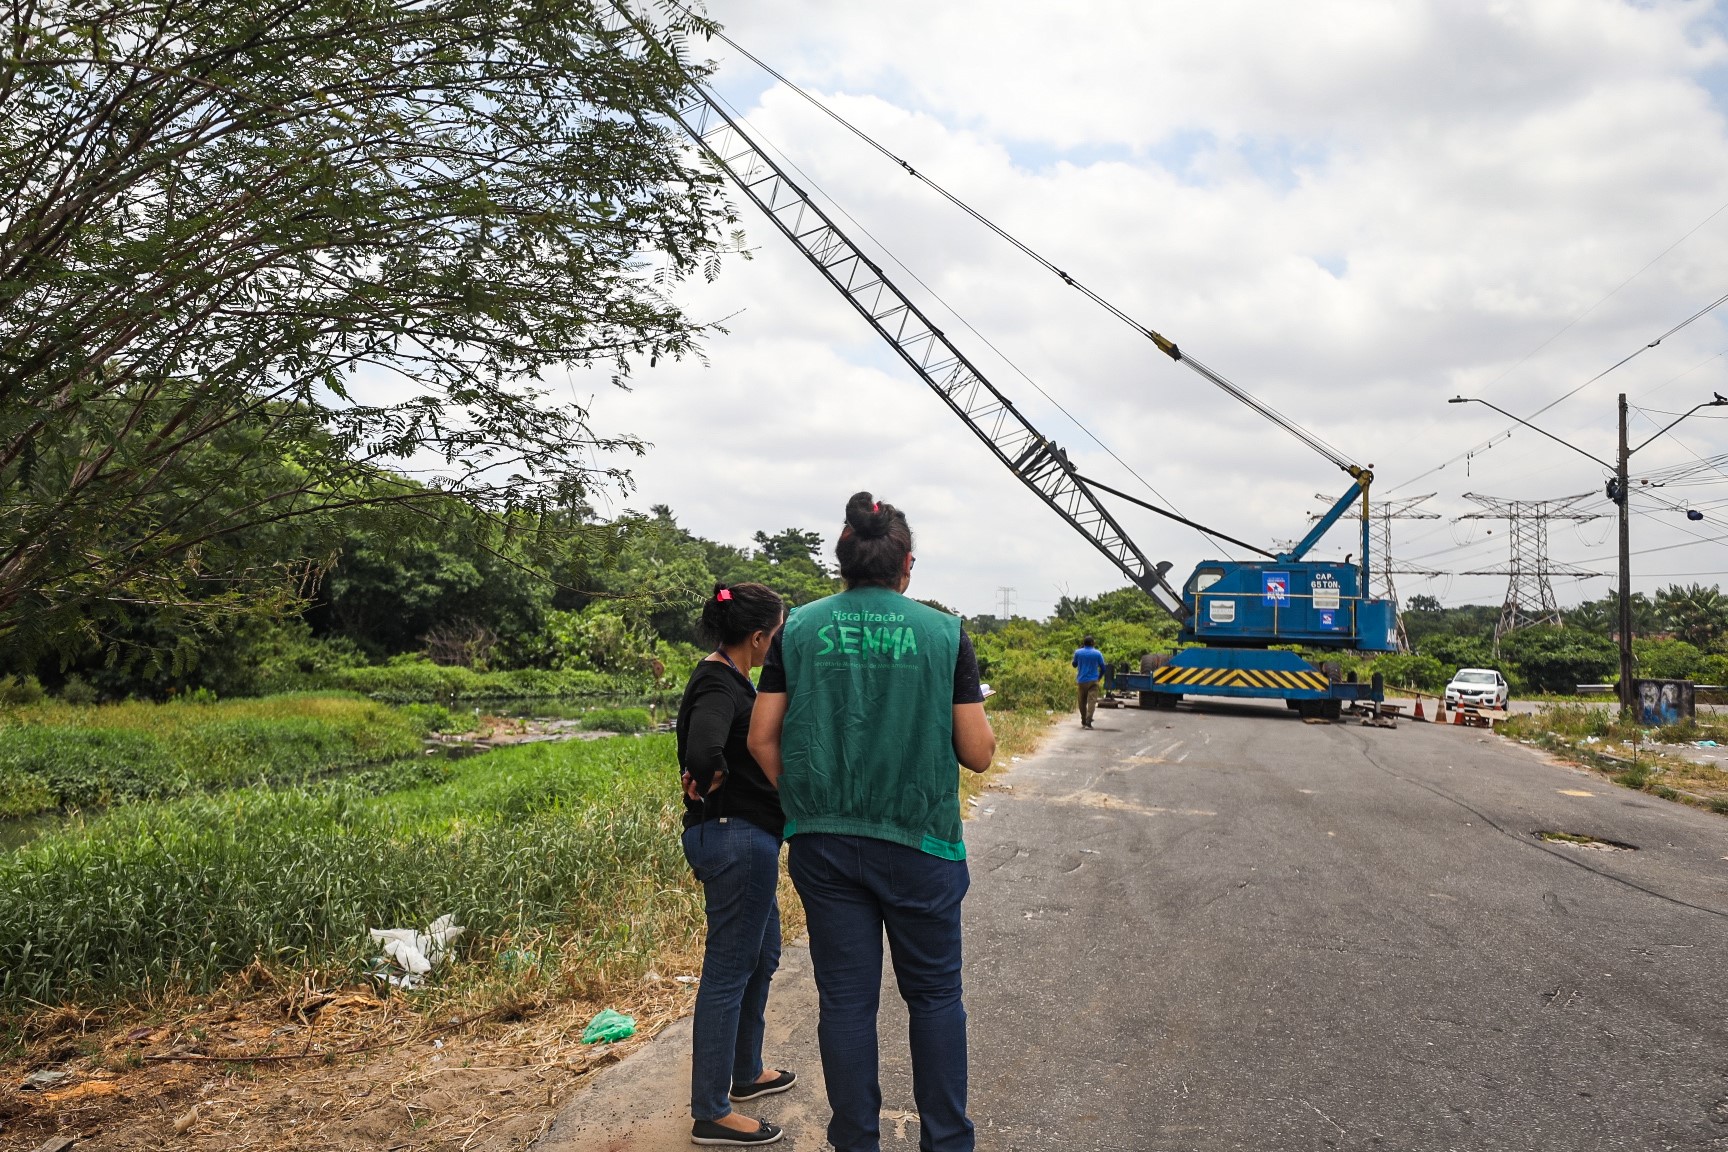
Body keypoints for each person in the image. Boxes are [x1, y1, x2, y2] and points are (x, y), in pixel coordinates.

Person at [748, 491, 995, 1152]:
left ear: (843, 561)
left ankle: (855, 1141)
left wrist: (803, 803)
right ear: (906, 563)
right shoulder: (945, 634)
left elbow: (761, 737)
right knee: (934, 998)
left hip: (824, 845)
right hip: (921, 843)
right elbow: (977, 753)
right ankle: (947, 1142)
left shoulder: (798, 629)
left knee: (846, 1003)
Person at [676, 582, 796, 1147]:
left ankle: (745, 1072)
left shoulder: (733, 678)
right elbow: (703, 747)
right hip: (734, 839)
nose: (781, 642)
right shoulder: (718, 681)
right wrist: (711, 773)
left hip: (745, 839)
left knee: (762, 954)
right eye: (779, 633)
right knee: (727, 971)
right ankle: (711, 1111)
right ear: (758, 637)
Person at [1073, 634, 1104, 729]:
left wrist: (1078, 655)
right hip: (1093, 681)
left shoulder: (1078, 652)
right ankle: (1088, 721)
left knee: (1082, 701)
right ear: (1092, 643)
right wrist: (1099, 678)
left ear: (1084, 643)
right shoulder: (1097, 653)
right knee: (1091, 701)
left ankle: (1083, 720)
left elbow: (1074, 664)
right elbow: (1103, 668)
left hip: (1081, 680)